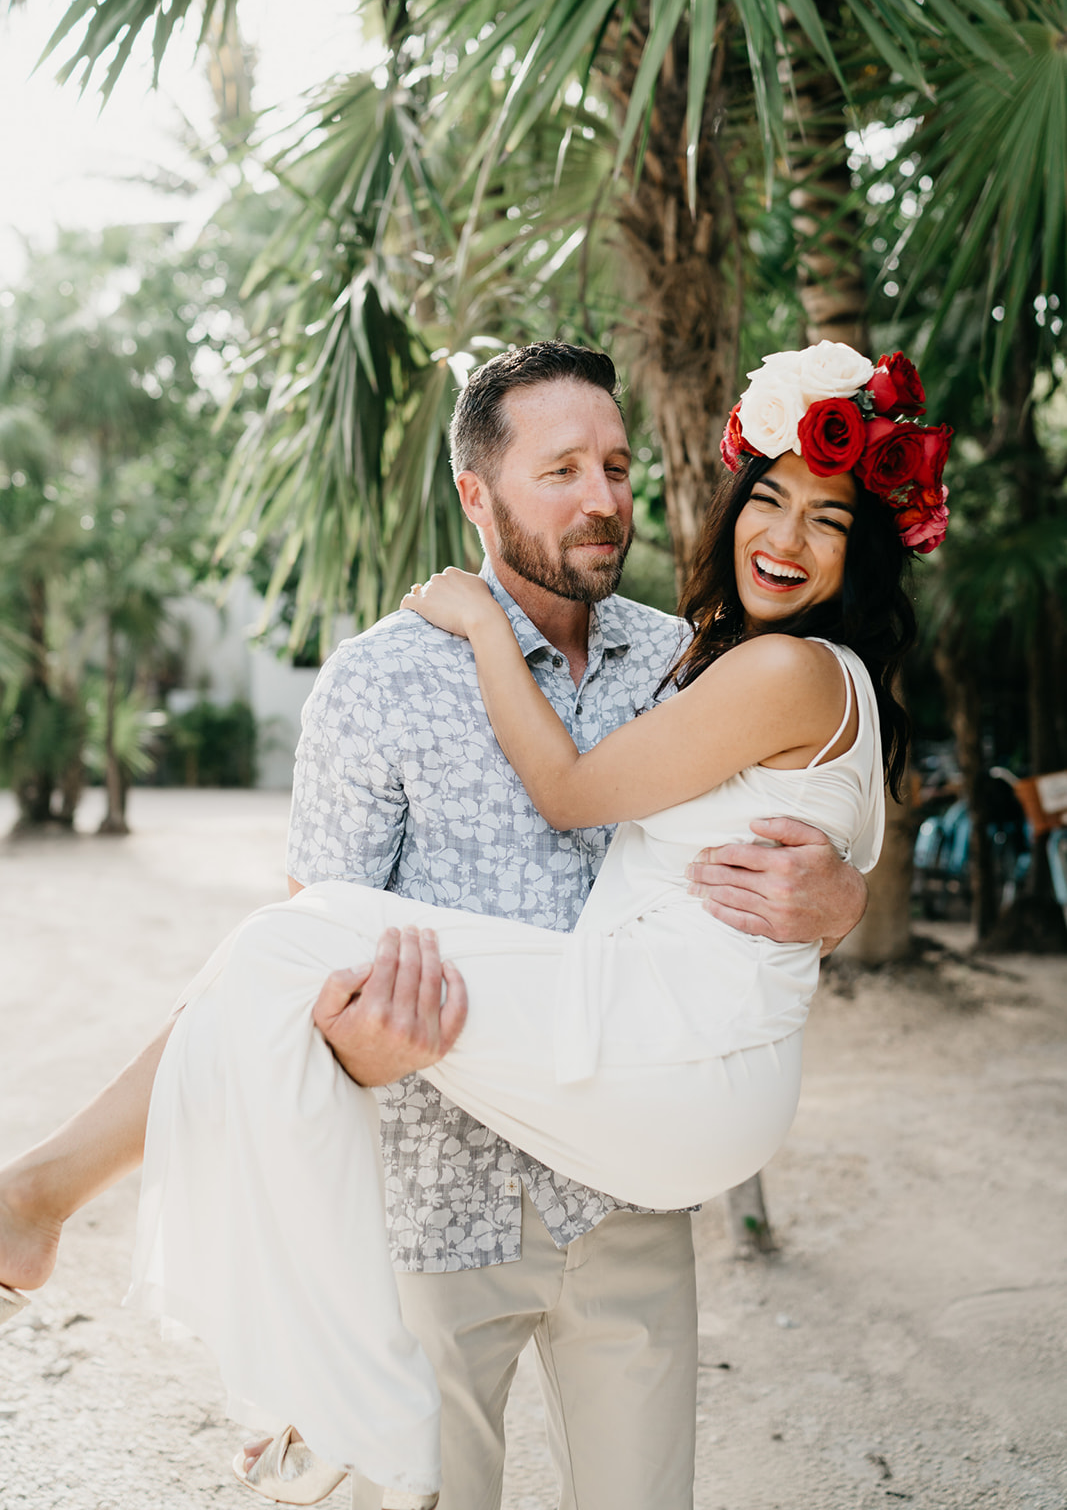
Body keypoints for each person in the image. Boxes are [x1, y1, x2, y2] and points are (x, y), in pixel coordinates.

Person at [0, 338, 943, 1509]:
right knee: (288, 953)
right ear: (475, 494)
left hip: (623, 1194)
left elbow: (777, 837)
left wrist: (841, 901)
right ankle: (280, 1350)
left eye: (614, 464)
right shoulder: (377, 680)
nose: (601, 497)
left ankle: (38, 1197)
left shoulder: (686, 654)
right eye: (561, 471)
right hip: (439, 1211)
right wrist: (359, 1049)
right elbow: (317, 976)